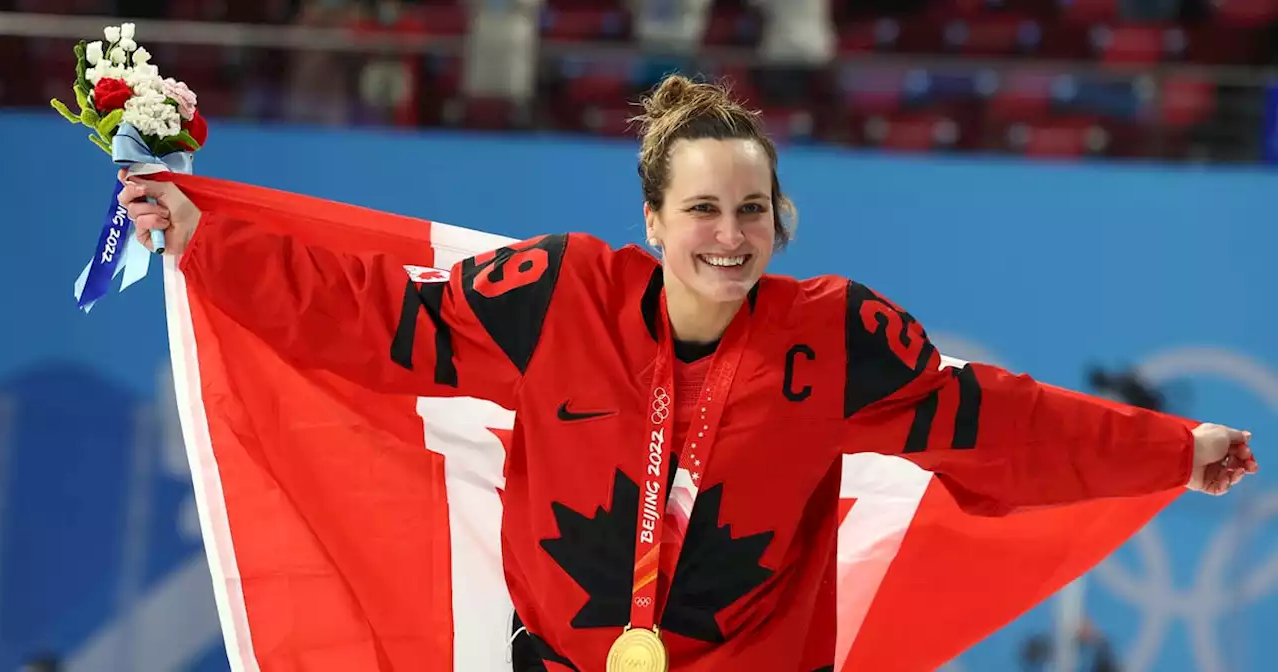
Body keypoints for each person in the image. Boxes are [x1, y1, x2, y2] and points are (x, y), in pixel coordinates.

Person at [117, 74, 1257, 672]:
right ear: (651, 221)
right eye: (701, 209)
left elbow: (995, 424)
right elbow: (367, 321)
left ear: (781, 221)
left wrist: (1171, 447)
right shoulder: (555, 298)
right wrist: (209, 240)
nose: (728, 234)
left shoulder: (834, 340)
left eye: (750, 210)